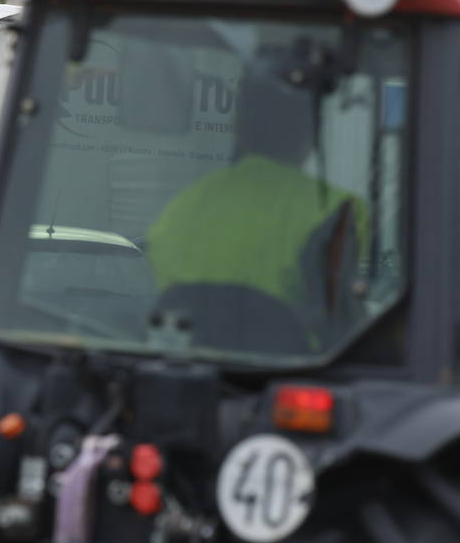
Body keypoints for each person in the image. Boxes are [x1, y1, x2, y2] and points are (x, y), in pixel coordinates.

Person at [145, 58, 368, 348]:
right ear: (310, 135)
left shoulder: (182, 206)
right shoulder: (335, 209)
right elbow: (339, 323)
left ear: (239, 131)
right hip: (294, 373)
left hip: (186, 366)